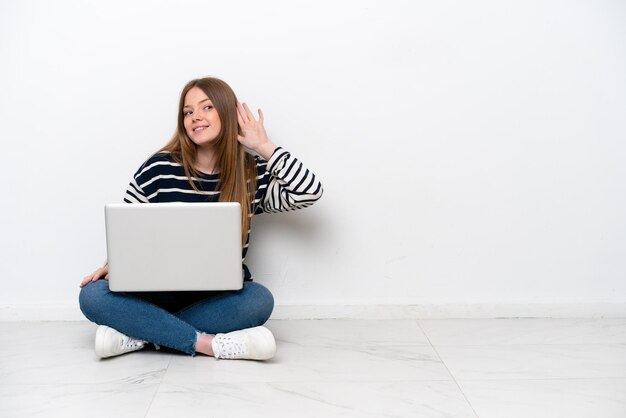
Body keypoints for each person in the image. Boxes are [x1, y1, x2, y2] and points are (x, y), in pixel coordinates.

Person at [78, 77, 323, 360]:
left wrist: (265, 146)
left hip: (215, 297)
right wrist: (113, 265)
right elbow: (128, 232)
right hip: (153, 293)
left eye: (206, 108)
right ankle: (206, 343)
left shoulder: (251, 174)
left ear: (227, 113)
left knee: (259, 301)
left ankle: (141, 335)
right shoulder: (158, 168)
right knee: (92, 295)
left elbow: (309, 191)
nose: (196, 117)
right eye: (188, 111)